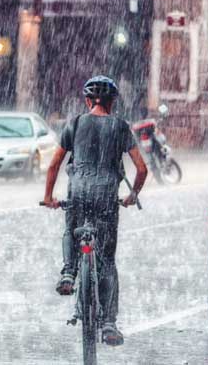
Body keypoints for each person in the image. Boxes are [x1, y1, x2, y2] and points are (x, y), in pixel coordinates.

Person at [41, 75, 148, 346]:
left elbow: (54, 165)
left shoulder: (75, 123)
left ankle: (68, 272)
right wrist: (132, 195)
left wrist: (48, 197)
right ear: (112, 103)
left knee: (71, 228)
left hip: (78, 193)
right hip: (106, 198)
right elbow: (142, 168)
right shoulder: (121, 127)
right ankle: (109, 323)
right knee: (107, 262)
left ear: (88, 101)